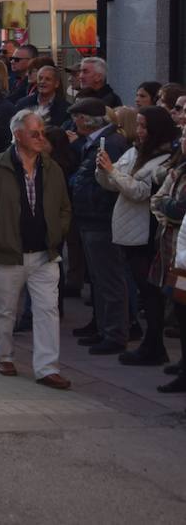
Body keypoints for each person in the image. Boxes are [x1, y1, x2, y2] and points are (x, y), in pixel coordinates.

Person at [0, 110, 73, 388]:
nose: (41, 138)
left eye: (42, 133)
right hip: (7, 253)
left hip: (44, 254)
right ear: (18, 135)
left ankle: (47, 367)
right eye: (34, 133)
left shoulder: (51, 168)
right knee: (4, 309)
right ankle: (3, 355)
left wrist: (58, 231)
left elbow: (64, 206)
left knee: (48, 309)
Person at [96, 105, 176, 366]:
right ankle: (152, 345)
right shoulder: (135, 151)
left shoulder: (164, 159)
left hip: (146, 233)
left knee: (151, 293)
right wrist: (104, 169)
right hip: (129, 230)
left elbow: (141, 191)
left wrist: (112, 171)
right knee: (145, 290)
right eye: (138, 125)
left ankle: (154, 346)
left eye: (144, 127)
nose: (139, 131)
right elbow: (112, 182)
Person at [67, 97, 132, 356]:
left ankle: (115, 332)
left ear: (86, 120)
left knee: (109, 278)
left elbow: (108, 181)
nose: (75, 122)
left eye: (78, 117)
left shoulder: (110, 143)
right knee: (98, 277)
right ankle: (103, 325)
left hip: (102, 219)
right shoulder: (93, 143)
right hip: (90, 217)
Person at [149, 131, 186, 393]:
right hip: (176, 250)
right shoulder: (180, 168)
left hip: (182, 249)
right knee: (180, 308)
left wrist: (170, 207)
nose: (182, 140)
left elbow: (177, 209)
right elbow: (159, 201)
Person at [16, 64, 70, 129]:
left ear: (56, 84)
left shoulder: (66, 109)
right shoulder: (23, 104)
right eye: (40, 78)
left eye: (48, 79)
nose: (42, 81)